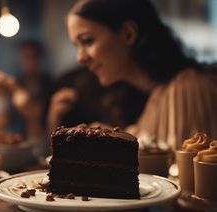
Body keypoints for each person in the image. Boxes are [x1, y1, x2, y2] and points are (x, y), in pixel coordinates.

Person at [66, 0, 217, 149]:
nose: (80, 58)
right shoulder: (156, 97)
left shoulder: (187, 88)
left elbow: (181, 168)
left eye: (87, 41)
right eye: (77, 46)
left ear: (128, 34)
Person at [47, 66, 148, 135]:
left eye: (89, 41)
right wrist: (54, 119)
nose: (80, 58)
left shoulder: (143, 92)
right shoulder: (70, 82)